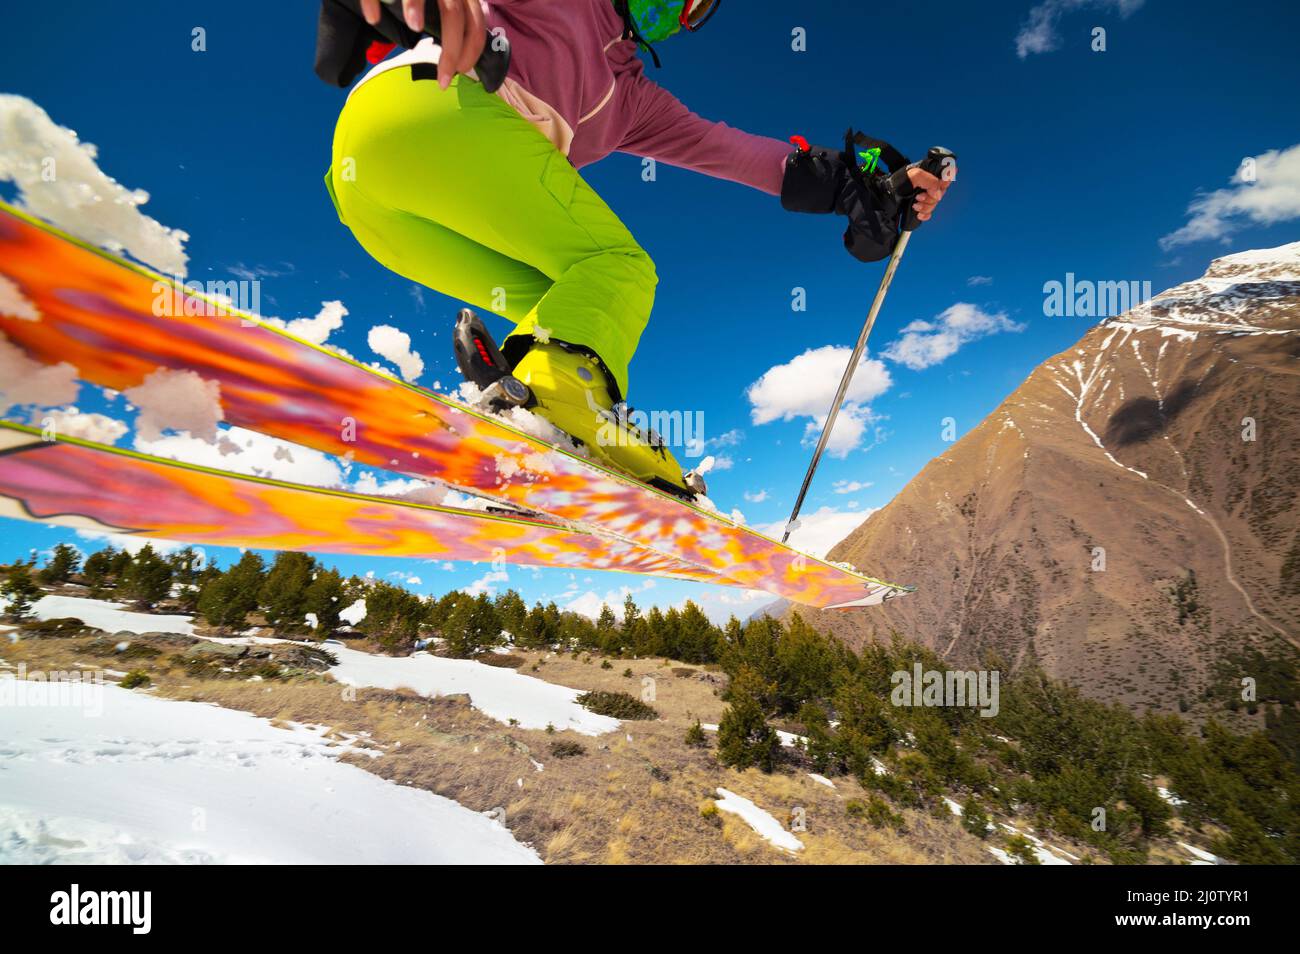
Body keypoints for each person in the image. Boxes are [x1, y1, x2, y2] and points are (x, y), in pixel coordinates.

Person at [320, 0, 952, 497]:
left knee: (567, 301)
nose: (677, 9)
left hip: (376, 203)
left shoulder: (634, 102)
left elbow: (744, 156)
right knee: (618, 268)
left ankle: (521, 399)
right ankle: (559, 411)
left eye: (695, 10)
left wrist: (860, 185)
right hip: (424, 103)